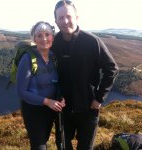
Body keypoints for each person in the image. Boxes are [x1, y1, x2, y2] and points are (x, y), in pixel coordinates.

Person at [52, 1, 118, 150]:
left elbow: (112, 69)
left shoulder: (92, 42)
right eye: (60, 17)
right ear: (55, 21)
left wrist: (99, 98)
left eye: (68, 16)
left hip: (89, 109)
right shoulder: (53, 43)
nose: (65, 21)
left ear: (76, 17)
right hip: (63, 109)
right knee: (62, 146)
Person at [17, 21, 65, 150]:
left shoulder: (53, 57)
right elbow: (22, 91)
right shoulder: (27, 59)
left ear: (52, 37)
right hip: (33, 111)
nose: (44, 38)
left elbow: (57, 82)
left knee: (46, 140)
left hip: (50, 109)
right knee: (39, 146)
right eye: (39, 35)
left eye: (47, 34)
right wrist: (46, 101)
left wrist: (61, 97)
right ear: (34, 39)